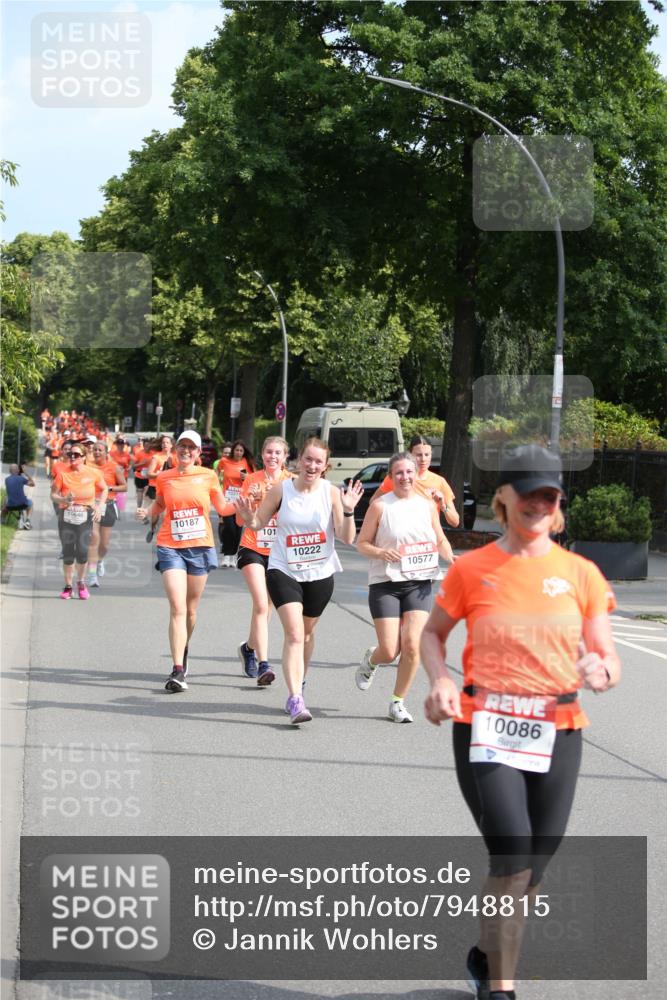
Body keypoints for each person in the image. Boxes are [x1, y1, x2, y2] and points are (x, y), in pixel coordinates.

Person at [420, 445, 620, 1000]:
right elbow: (433, 634)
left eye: (549, 495)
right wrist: (439, 679)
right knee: (511, 854)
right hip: (486, 724)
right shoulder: (472, 568)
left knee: (534, 867)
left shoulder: (581, 574)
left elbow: (606, 653)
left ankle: (486, 953)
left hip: (559, 727)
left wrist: (600, 668)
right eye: (527, 492)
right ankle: (501, 989)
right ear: (503, 499)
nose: (538, 503)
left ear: (558, 507)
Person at [235, 437, 364, 724]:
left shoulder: (331, 493)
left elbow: (347, 537)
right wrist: (247, 516)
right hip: (284, 569)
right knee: (294, 634)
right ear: (299, 460)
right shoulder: (283, 489)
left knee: (306, 634)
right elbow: (258, 523)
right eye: (308, 459)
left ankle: (300, 683)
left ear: (325, 466)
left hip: (319, 573)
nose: (312, 465)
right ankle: (295, 699)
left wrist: (349, 509)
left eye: (318, 461)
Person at [356, 451, 455, 723]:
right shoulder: (380, 506)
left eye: (409, 472)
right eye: (398, 473)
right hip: (386, 583)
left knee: (412, 645)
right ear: (391, 477)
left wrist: (450, 557)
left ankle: (397, 702)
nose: (405, 477)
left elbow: (441, 540)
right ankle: (372, 661)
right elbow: (361, 543)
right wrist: (380, 553)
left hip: (419, 582)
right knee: (390, 650)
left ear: (416, 474)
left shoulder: (426, 506)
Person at [136, 430, 233, 693]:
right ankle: (177, 669)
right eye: (182, 446)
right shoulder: (165, 477)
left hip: (200, 547)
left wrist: (247, 506)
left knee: (191, 609)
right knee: (177, 607)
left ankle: (184, 647)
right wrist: (148, 512)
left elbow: (223, 508)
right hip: (170, 546)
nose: (186, 451)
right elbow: (159, 504)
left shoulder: (208, 476)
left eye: (192, 447)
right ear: (175, 450)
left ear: (199, 453)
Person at [236, 436, 293, 685]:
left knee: (266, 609)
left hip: (279, 551)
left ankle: (249, 647)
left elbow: (296, 516)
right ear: (262, 454)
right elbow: (240, 521)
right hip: (252, 547)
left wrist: (272, 502)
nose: (273, 456)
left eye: (278, 453)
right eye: (269, 452)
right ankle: (263, 665)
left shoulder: (291, 482)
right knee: (261, 604)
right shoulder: (251, 480)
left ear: (285, 457)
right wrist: (252, 503)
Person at [51, 446, 107, 599]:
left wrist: (99, 506)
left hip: (84, 515)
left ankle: (81, 583)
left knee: (82, 552)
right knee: (68, 552)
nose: (73, 456)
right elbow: (53, 495)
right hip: (66, 515)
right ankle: (68, 586)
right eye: (70, 454)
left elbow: (104, 489)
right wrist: (63, 500)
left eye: (76, 454)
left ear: (83, 457)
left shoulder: (93, 473)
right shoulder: (62, 474)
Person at [371, 434, 460, 527]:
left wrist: (443, 507)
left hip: (428, 537)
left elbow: (455, 522)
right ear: (410, 455)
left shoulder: (440, 481)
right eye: (418, 455)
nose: (423, 459)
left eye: (427, 454)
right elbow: (373, 502)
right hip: (402, 537)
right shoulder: (398, 478)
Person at [86, 441, 127, 587]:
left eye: (100, 450)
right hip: (92, 505)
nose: (97, 452)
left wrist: (109, 489)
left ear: (106, 452)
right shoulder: (87, 466)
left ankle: (100, 560)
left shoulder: (114, 467)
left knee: (104, 544)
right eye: (95, 450)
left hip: (108, 505)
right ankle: (91, 575)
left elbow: (124, 486)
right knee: (93, 539)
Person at [217, 440, 255, 567]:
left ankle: (233, 556)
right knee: (229, 527)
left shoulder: (246, 463)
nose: (238, 452)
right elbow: (217, 473)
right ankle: (227, 555)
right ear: (233, 450)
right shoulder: (224, 461)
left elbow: (254, 478)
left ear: (243, 452)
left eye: (241, 451)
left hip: (241, 500)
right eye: (237, 450)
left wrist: (247, 477)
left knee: (238, 529)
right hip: (227, 500)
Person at [144, 435, 174, 541]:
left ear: (171, 445)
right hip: (155, 487)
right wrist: (161, 474)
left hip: (169, 489)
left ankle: (164, 536)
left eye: (167, 442)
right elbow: (149, 474)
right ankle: (152, 529)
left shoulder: (175, 458)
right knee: (156, 514)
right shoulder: (156, 457)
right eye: (163, 443)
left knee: (165, 514)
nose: (165, 444)